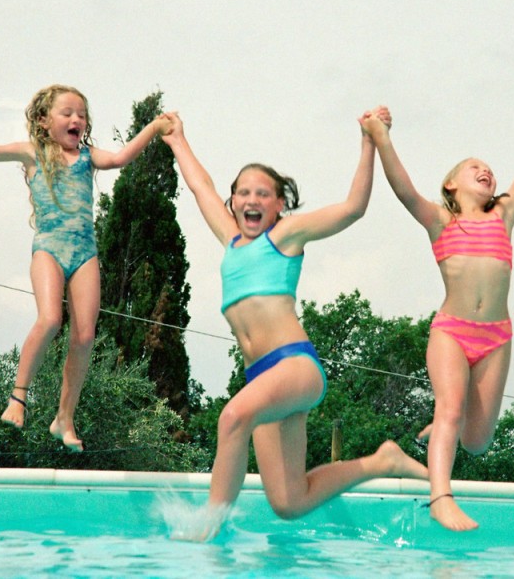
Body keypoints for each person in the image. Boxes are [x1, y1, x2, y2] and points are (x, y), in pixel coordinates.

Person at [153, 109, 427, 541]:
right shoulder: (230, 239)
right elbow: (200, 186)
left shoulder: (285, 237)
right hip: (262, 377)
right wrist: (178, 140)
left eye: (263, 193)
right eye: (243, 192)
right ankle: (382, 462)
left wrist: (369, 141)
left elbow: (354, 208)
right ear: (234, 201)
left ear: (280, 204)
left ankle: (208, 528)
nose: (251, 200)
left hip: (294, 366)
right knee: (288, 502)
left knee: (231, 419)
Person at [359, 71, 514, 532]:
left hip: (497, 337)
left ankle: (433, 437)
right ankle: (440, 497)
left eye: (490, 169)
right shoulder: (440, 221)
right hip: (452, 332)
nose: (487, 171)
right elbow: (402, 188)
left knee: (477, 440)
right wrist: (380, 138)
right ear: (451, 185)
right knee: (451, 411)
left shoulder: (504, 214)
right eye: (474, 167)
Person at [0, 84, 165, 452]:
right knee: (50, 319)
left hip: (85, 252)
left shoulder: (87, 156)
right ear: (43, 120)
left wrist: (155, 127)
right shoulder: (34, 153)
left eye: (81, 114)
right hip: (49, 249)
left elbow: (119, 158)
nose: (76, 119)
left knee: (84, 336)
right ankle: (17, 399)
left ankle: (64, 417)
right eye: (67, 113)